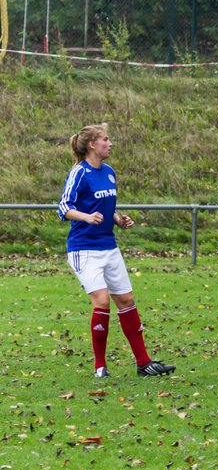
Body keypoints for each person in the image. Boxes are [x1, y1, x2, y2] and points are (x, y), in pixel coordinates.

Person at [59, 123, 174, 379]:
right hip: (83, 249)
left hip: (109, 248)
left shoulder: (109, 172)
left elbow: (106, 207)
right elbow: (64, 207)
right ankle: (100, 367)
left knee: (126, 301)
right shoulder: (79, 172)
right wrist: (86, 217)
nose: (110, 144)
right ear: (92, 145)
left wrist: (118, 220)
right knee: (102, 301)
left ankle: (144, 363)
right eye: (106, 139)